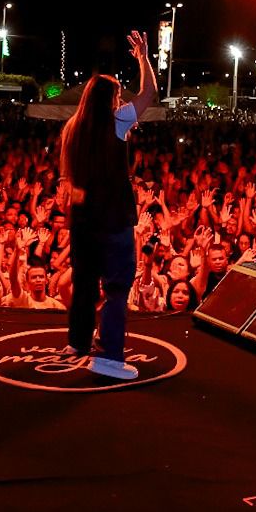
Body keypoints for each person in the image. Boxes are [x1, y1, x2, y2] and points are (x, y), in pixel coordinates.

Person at [60, 30, 156, 380]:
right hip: (113, 220)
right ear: (108, 99)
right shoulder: (117, 123)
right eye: (117, 94)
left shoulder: (72, 128)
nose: (121, 99)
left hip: (83, 221)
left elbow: (70, 182)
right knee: (116, 287)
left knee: (84, 282)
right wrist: (143, 59)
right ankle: (109, 356)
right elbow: (150, 94)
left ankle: (77, 342)